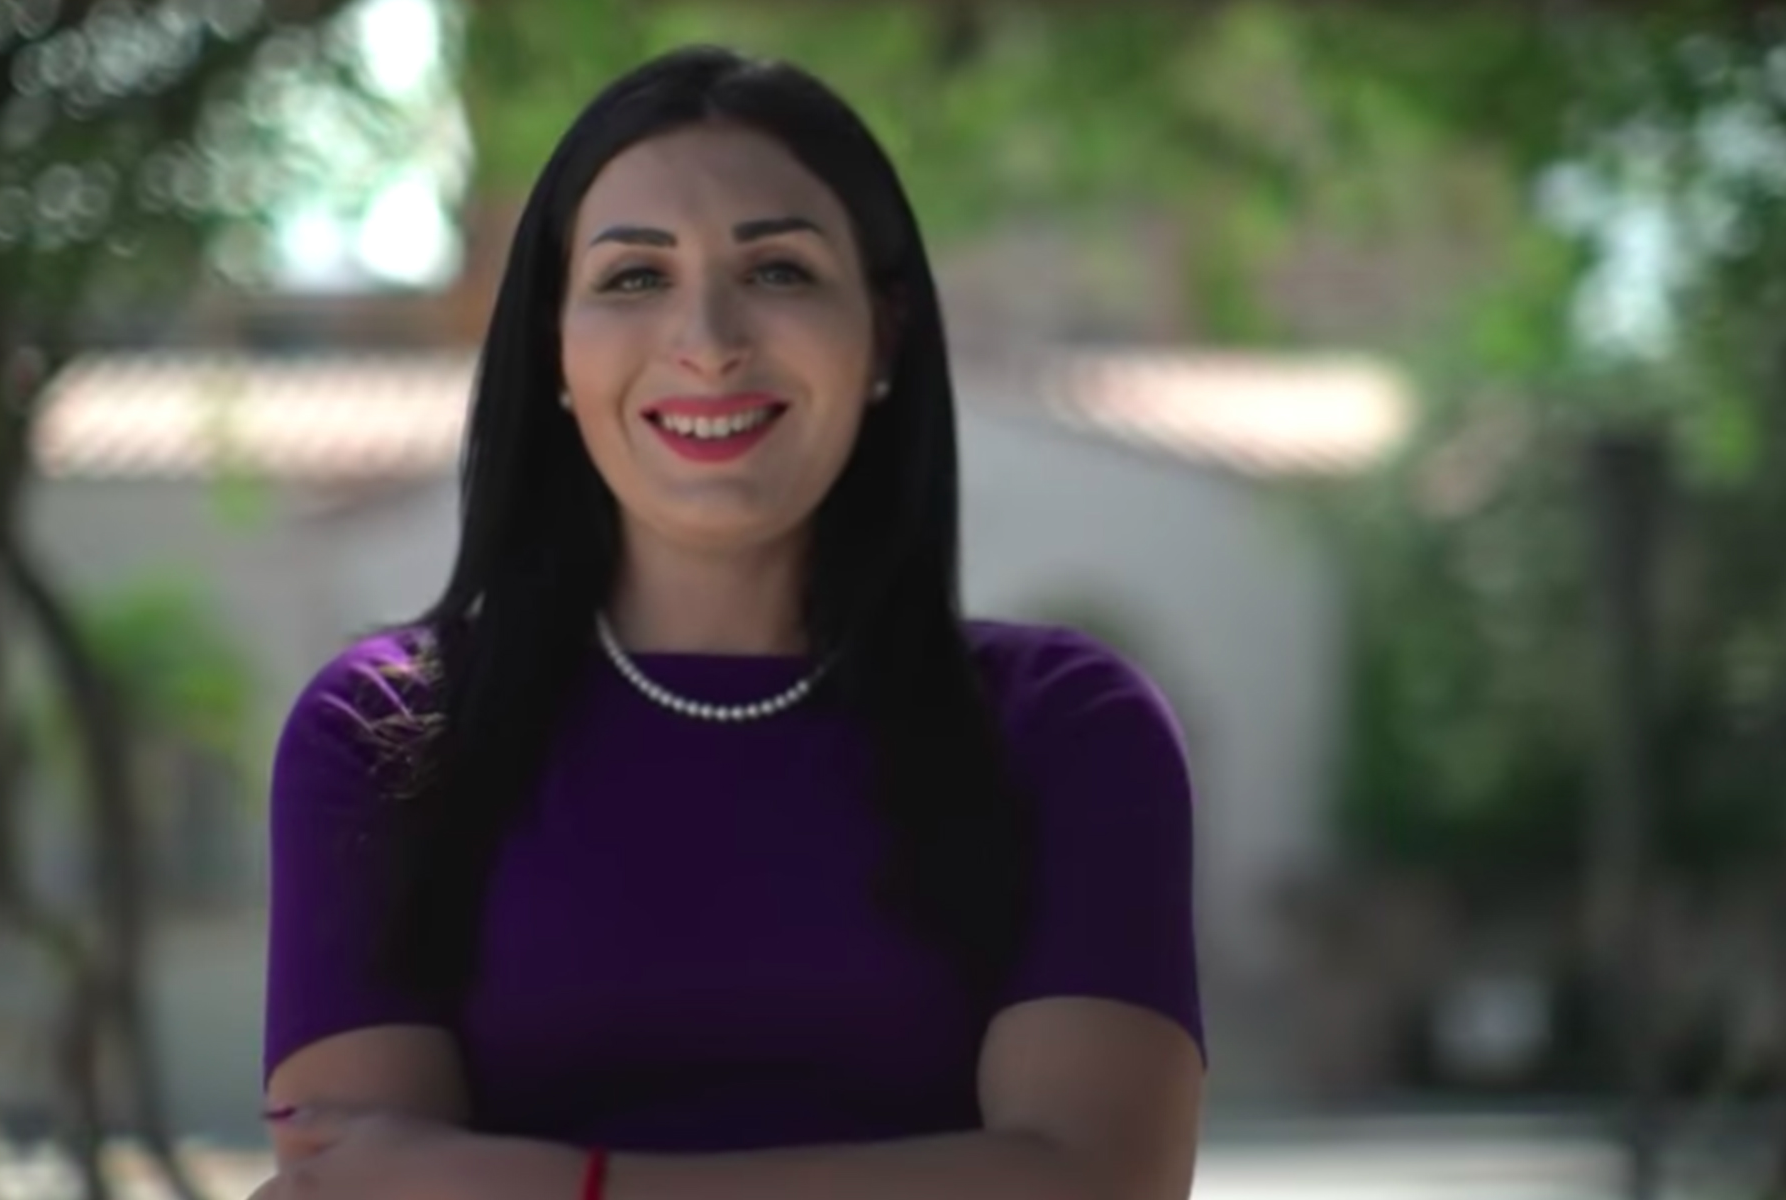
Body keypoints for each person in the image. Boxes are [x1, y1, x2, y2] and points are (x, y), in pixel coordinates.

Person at [254, 43, 1203, 1200]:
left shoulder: (1066, 730)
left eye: (780, 271)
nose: (706, 340)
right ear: (554, 348)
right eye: (633, 278)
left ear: (884, 335)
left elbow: (1095, 1183)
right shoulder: (387, 735)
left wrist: (564, 1186)